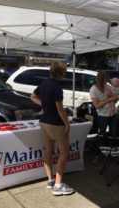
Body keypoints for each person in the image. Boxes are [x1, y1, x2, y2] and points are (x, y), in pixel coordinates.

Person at [30, 61, 74, 196]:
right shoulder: (57, 87)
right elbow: (60, 109)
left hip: (43, 122)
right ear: (62, 73)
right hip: (55, 123)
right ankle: (58, 185)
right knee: (64, 153)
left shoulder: (44, 83)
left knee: (48, 151)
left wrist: (43, 105)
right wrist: (67, 123)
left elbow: (32, 96)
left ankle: (50, 180)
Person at [89, 71, 119, 164]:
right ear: (100, 80)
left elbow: (114, 97)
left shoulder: (107, 86)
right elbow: (97, 106)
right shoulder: (93, 89)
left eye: (107, 80)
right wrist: (109, 100)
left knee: (113, 133)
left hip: (113, 112)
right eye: (105, 80)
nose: (106, 82)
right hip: (102, 114)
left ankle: (111, 153)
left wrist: (115, 98)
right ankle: (99, 155)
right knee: (102, 134)